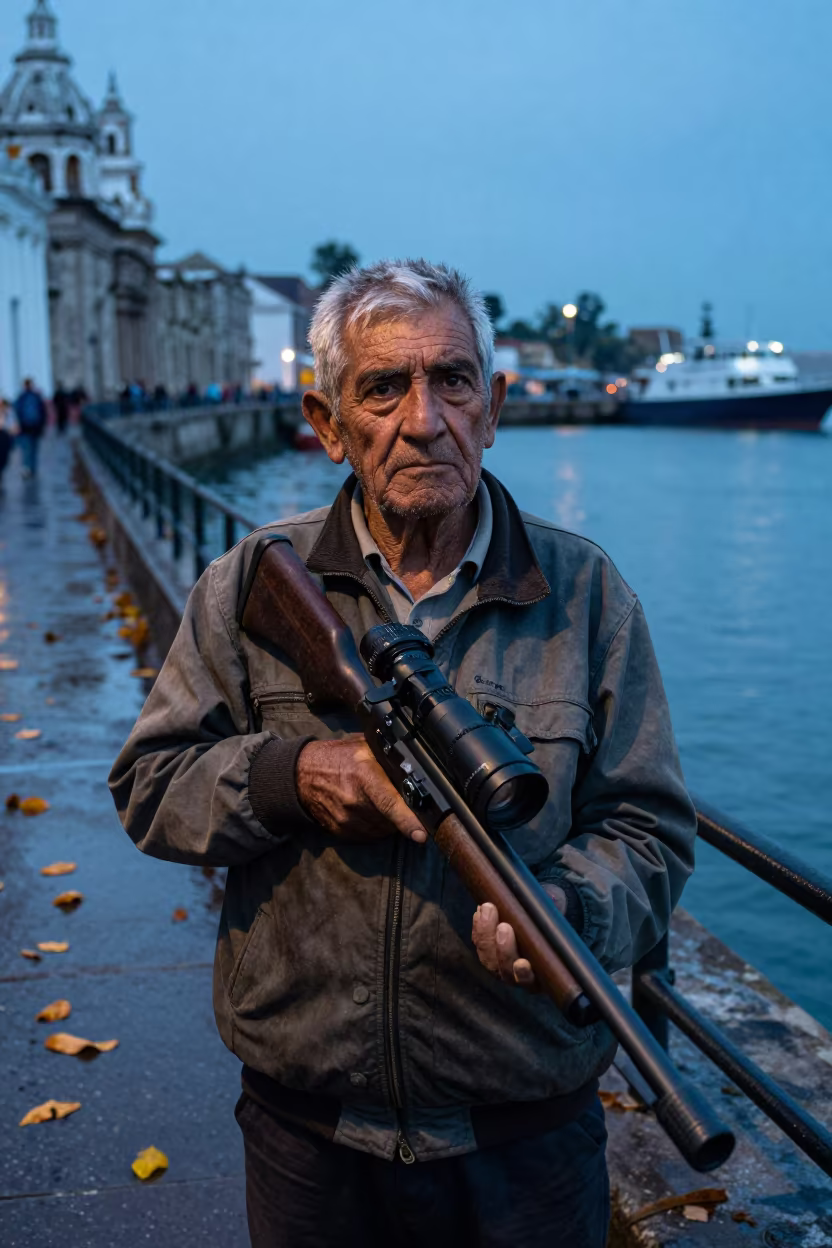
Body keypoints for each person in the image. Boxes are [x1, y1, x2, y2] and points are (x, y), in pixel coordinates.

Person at [110, 260, 696, 1248]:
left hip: (527, 1141)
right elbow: (149, 784)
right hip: (307, 1135)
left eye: (453, 381)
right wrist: (296, 777)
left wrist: (569, 908)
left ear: (495, 404)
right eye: (383, 388)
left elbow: (650, 828)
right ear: (328, 423)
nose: (425, 420)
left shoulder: (586, 595)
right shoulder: (253, 580)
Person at [13, 378, 47, 478]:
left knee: (26, 450)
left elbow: (16, 412)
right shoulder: (36, 397)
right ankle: (33, 469)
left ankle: (27, 469)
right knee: (34, 449)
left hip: (24, 429)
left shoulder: (21, 397)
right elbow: (43, 413)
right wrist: (42, 427)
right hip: (35, 428)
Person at [0, 398, 18, 487]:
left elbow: (14, 427)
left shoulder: (9, 412)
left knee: (3, 459)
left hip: (5, 437)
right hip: (4, 436)